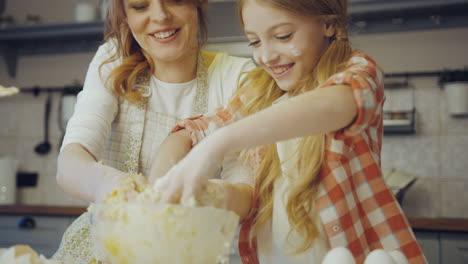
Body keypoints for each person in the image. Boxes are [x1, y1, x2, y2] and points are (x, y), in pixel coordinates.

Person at [153, 0, 427, 263]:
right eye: (255, 41)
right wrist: (162, 179)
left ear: (328, 25)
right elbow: (197, 129)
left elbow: (340, 102)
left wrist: (218, 144)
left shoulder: (359, 73)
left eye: (283, 36)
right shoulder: (258, 93)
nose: (266, 56)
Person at [52, 0, 255, 263]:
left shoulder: (236, 76)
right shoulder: (112, 61)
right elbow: (69, 164)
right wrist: (113, 186)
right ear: (125, 16)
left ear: (198, 5)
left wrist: (209, 196)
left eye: (174, 0)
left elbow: (246, 190)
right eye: (140, 6)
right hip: (99, 253)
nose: (160, 16)